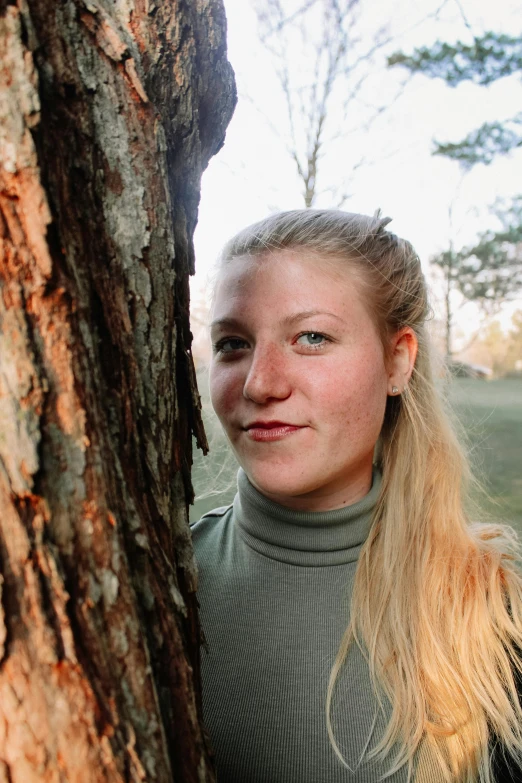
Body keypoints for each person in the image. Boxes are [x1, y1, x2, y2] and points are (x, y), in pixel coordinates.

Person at [190, 209, 522, 783]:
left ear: (398, 359)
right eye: (234, 343)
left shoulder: (497, 613)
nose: (261, 383)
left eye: (311, 338)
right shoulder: (164, 578)